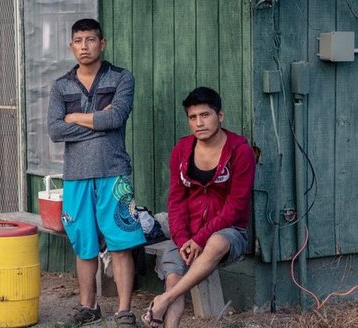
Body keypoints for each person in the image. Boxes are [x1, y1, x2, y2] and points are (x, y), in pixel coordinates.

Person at [47, 18, 146, 328]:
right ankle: (88, 307)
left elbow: (116, 117)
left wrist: (74, 117)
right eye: (79, 40)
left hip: (114, 173)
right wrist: (97, 123)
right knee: (83, 243)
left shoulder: (121, 78)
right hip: (76, 177)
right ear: (71, 46)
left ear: (102, 44)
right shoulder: (61, 85)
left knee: (120, 241)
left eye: (91, 40)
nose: (84, 46)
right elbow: (54, 130)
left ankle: (124, 311)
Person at [141, 87, 256, 328]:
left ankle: (162, 301)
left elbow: (235, 207)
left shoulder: (240, 151)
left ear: (220, 116)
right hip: (187, 233)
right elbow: (175, 200)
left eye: (205, 115)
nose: (199, 123)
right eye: (193, 118)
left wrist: (200, 239)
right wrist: (184, 240)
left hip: (229, 232)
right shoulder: (182, 150)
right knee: (174, 280)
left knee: (216, 241)